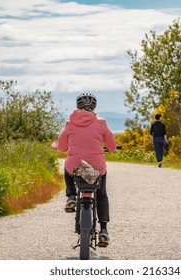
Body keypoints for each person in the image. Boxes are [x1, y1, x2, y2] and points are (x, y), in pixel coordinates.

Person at [51, 93, 117, 247]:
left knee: (67, 169)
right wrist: (110, 147)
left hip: (75, 167)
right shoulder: (101, 123)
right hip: (97, 168)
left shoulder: (69, 123)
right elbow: (112, 147)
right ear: (94, 107)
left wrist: (55, 145)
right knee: (101, 195)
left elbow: (61, 147)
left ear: (77, 106)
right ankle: (104, 231)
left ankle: (72, 196)